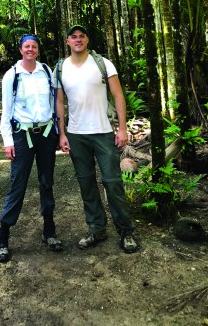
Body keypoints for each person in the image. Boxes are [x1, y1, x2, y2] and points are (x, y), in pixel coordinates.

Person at [56, 25, 138, 253]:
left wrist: (122, 129)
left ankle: (126, 231)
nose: (78, 40)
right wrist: (62, 133)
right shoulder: (61, 68)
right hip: (76, 134)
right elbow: (60, 102)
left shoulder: (103, 63)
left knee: (112, 182)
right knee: (86, 183)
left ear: (87, 39)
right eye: (74, 37)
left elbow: (118, 95)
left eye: (82, 36)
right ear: (68, 41)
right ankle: (96, 228)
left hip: (102, 131)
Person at [0, 34, 62, 262]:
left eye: (34, 46)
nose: (30, 49)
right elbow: (6, 110)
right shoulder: (12, 75)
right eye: (27, 46)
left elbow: (55, 101)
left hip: (45, 134)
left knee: (46, 181)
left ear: (38, 49)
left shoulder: (46, 71)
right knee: (18, 184)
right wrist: (7, 141)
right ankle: (2, 237)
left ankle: (49, 231)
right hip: (22, 136)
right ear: (21, 50)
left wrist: (59, 131)